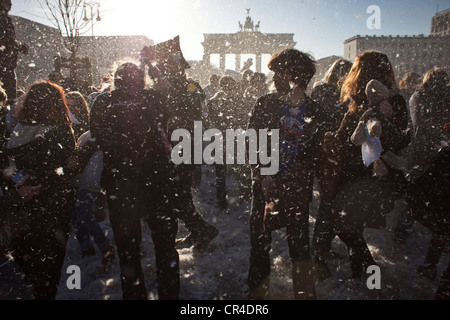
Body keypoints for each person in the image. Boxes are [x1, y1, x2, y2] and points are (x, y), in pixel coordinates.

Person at [315, 51, 410, 280]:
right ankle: (362, 273)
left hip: (362, 176)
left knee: (345, 226)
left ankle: (368, 270)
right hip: (366, 177)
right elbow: (403, 138)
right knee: (351, 227)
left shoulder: (380, 100)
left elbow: (394, 139)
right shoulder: (380, 98)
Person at [90, 62, 179, 300]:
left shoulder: (103, 102)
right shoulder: (153, 99)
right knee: (166, 246)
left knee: (128, 250)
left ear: (116, 79)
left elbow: (97, 135)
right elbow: (169, 112)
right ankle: (169, 295)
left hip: (120, 184)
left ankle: (135, 294)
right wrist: (154, 70)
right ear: (141, 80)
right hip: (155, 180)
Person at [247, 49, 327, 300]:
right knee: (261, 244)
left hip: (296, 187)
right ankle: (258, 297)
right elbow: (252, 144)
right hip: (266, 185)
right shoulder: (266, 102)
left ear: (293, 76)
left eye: (278, 72)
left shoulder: (314, 110)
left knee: (299, 246)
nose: (273, 78)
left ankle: (303, 294)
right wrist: (264, 174)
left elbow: (317, 154)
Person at [5, 80, 79, 299]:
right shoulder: (62, 131)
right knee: (51, 268)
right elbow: (70, 168)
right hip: (54, 207)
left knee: (26, 265)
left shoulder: (16, 132)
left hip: (22, 207)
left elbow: (9, 168)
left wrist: (23, 183)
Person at [148, 50, 218, 250]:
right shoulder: (173, 87)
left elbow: (192, 112)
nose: (164, 72)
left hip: (184, 145)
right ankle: (197, 230)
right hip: (176, 145)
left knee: (178, 193)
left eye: (167, 67)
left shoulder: (190, 87)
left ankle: (200, 229)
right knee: (180, 194)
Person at [406, 67, 449, 282]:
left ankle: (409, 227)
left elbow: (420, 123)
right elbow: (421, 124)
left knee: (420, 192)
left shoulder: (421, 96)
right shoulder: (424, 96)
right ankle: (408, 227)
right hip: (431, 154)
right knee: (428, 197)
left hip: (430, 154)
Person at [310, 58, 352, 260]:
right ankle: (319, 247)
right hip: (334, 150)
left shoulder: (320, 89)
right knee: (331, 201)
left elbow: (313, 118)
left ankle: (321, 245)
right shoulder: (345, 94)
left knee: (330, 200)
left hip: (323, 149)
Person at [206, 75, 241, 210]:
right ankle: (243, 195)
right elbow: (241, 119)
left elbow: (208, 121)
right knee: (238, 167)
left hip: (219, 138)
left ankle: (221, 200)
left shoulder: (213, 100)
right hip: (233, 137)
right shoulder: (237, 100)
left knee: (220, 171)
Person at [0, 0, 29, 105]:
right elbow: (6, 41)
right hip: (5, 64)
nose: (10, 6)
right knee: (9, 96)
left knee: (10, 96)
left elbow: (9, 41)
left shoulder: (6, 20)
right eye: (8, 3)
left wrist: (19, 47)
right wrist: (18, 47)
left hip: (7, 64)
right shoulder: (3, 20)